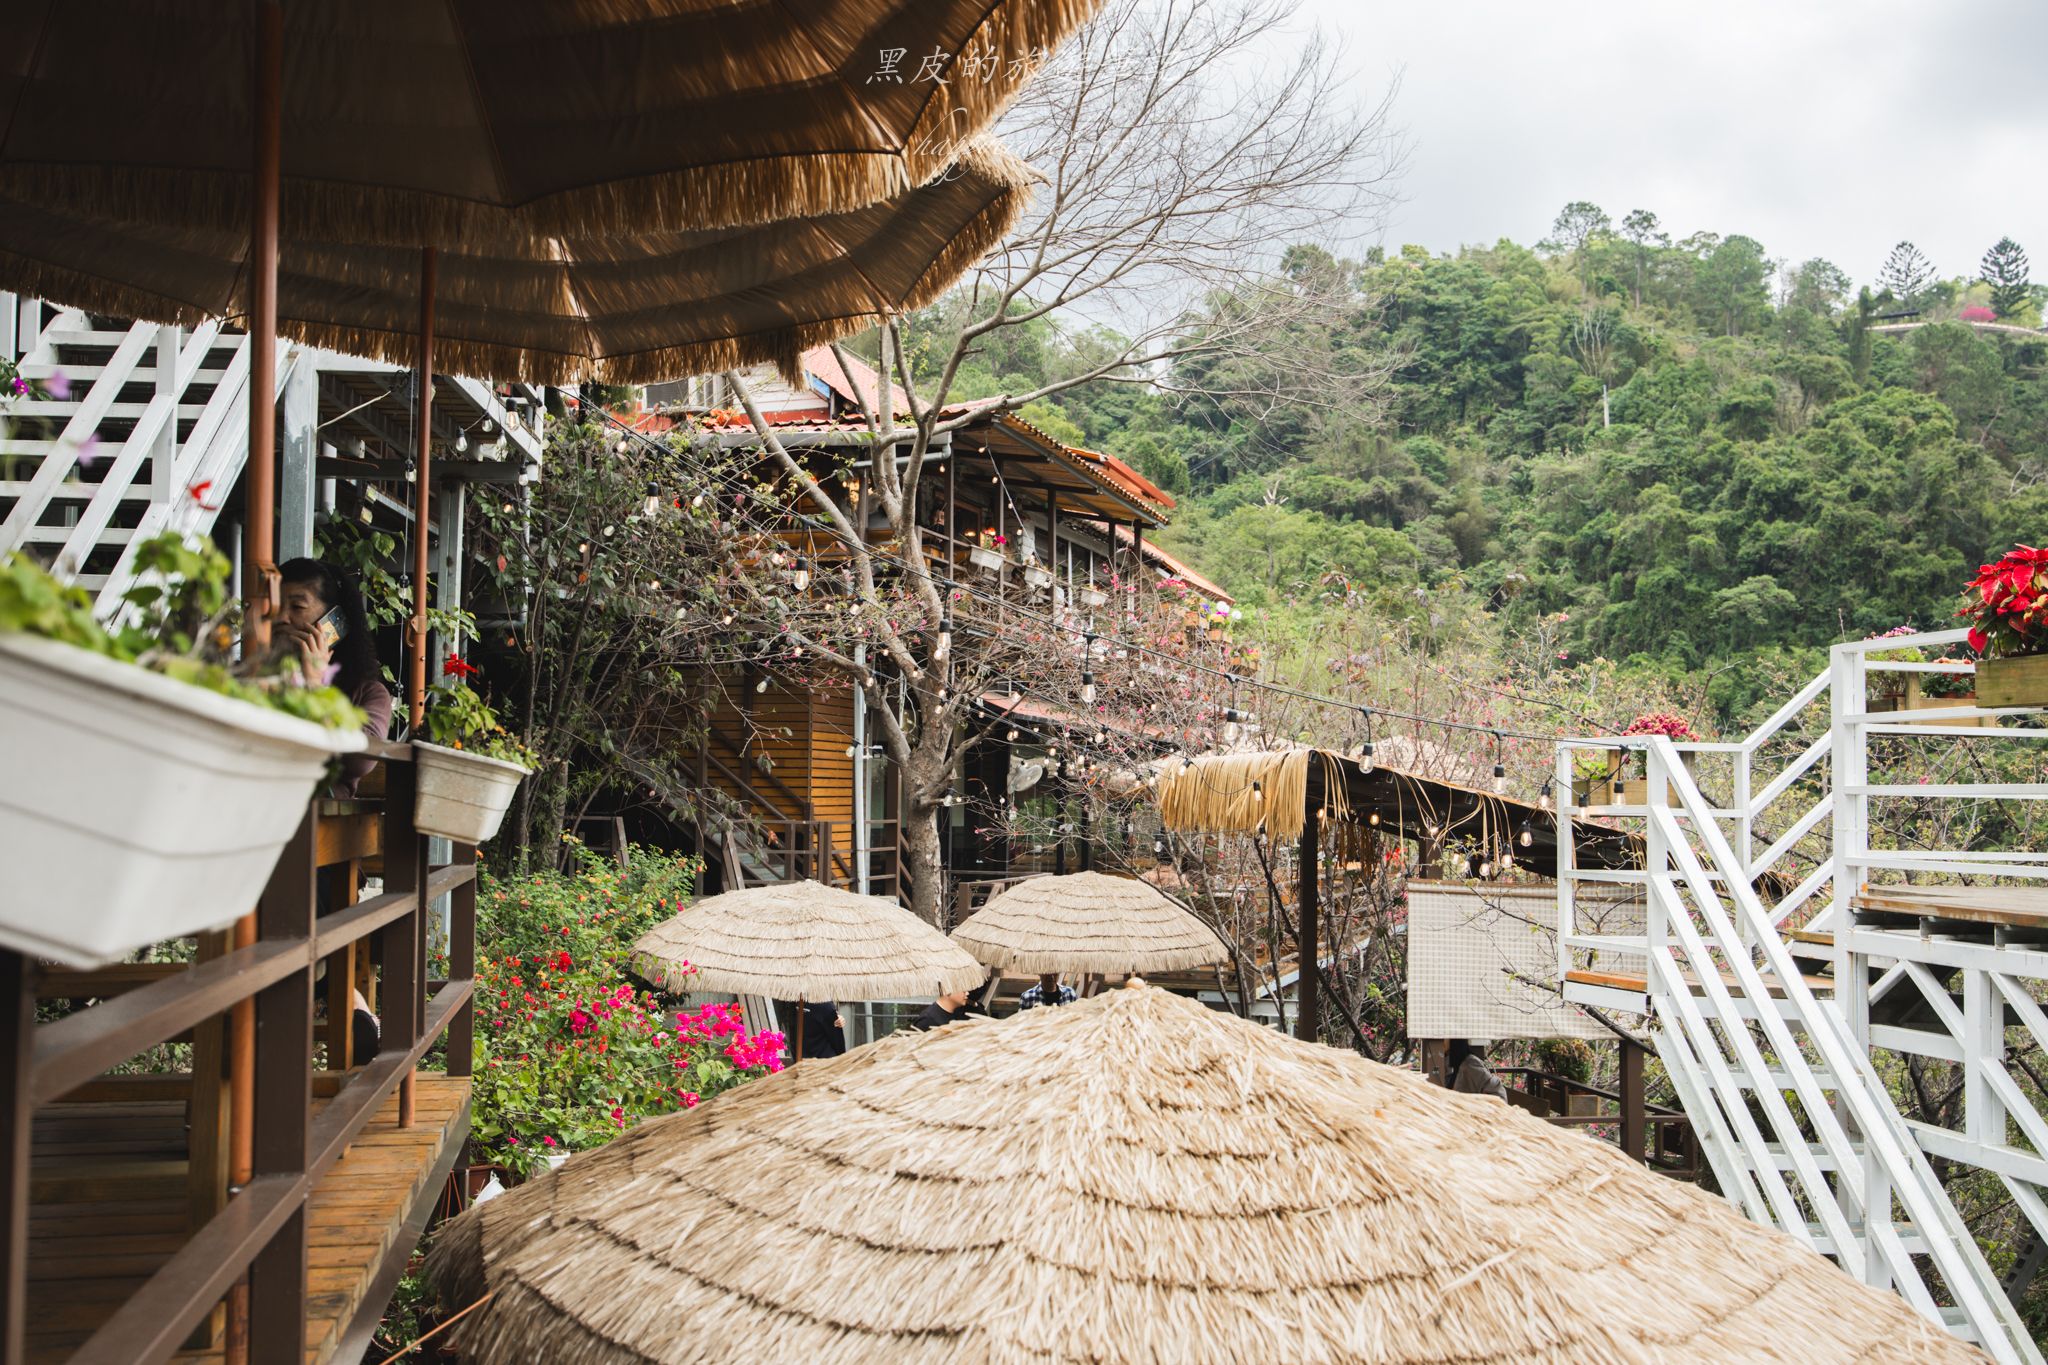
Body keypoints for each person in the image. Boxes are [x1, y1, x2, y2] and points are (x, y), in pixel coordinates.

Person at [275, 558, 391, 798]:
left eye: (297, 607)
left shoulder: (369, 693)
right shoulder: (258, 675)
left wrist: (315, 685)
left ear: (334, 622)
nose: (282, 618)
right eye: (276, 606)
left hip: (319, 821)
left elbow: (361, 760)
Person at [908, 984, 982, 1032]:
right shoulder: (927, 1020)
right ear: (948, 990)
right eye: (963, 990)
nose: (967, 993)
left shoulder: (959, 1013)